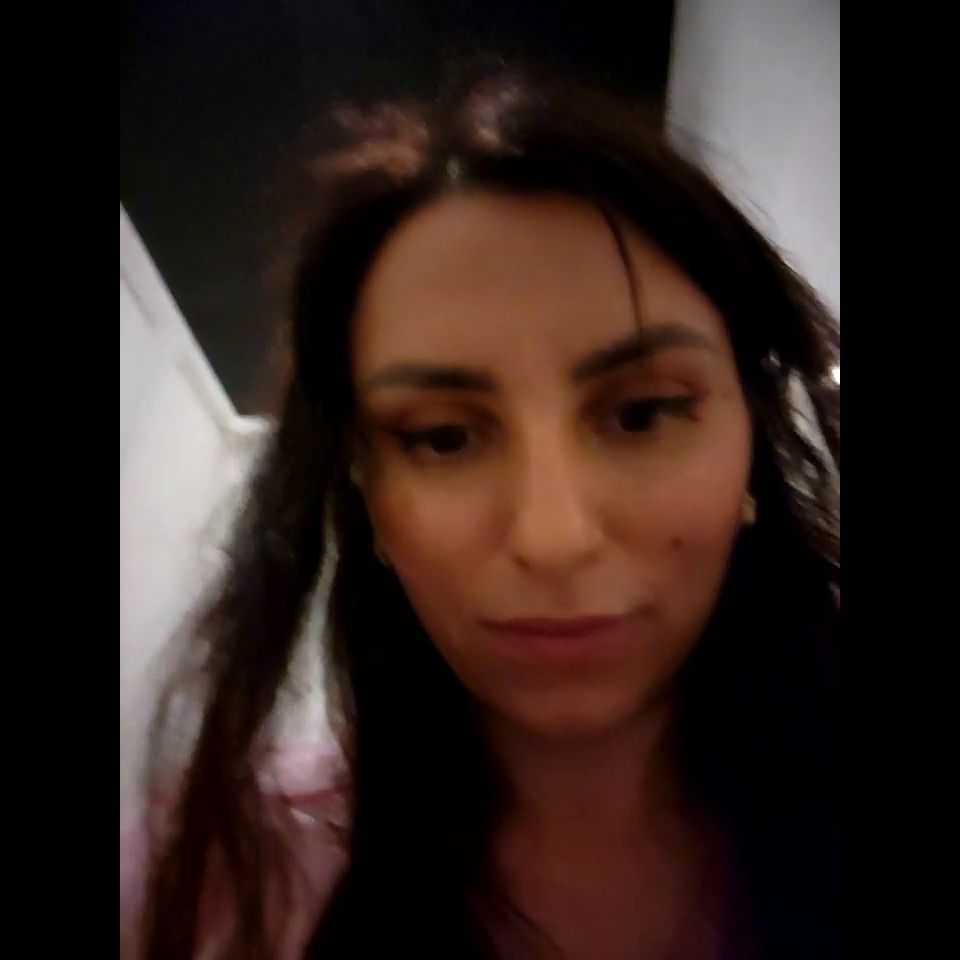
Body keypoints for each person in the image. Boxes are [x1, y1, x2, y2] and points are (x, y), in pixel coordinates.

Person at [122, 70, 840, 960]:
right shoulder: (203, 883)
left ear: (751, 450)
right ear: (369, 498)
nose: (552, 537)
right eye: (444, 437)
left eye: (642, 414)